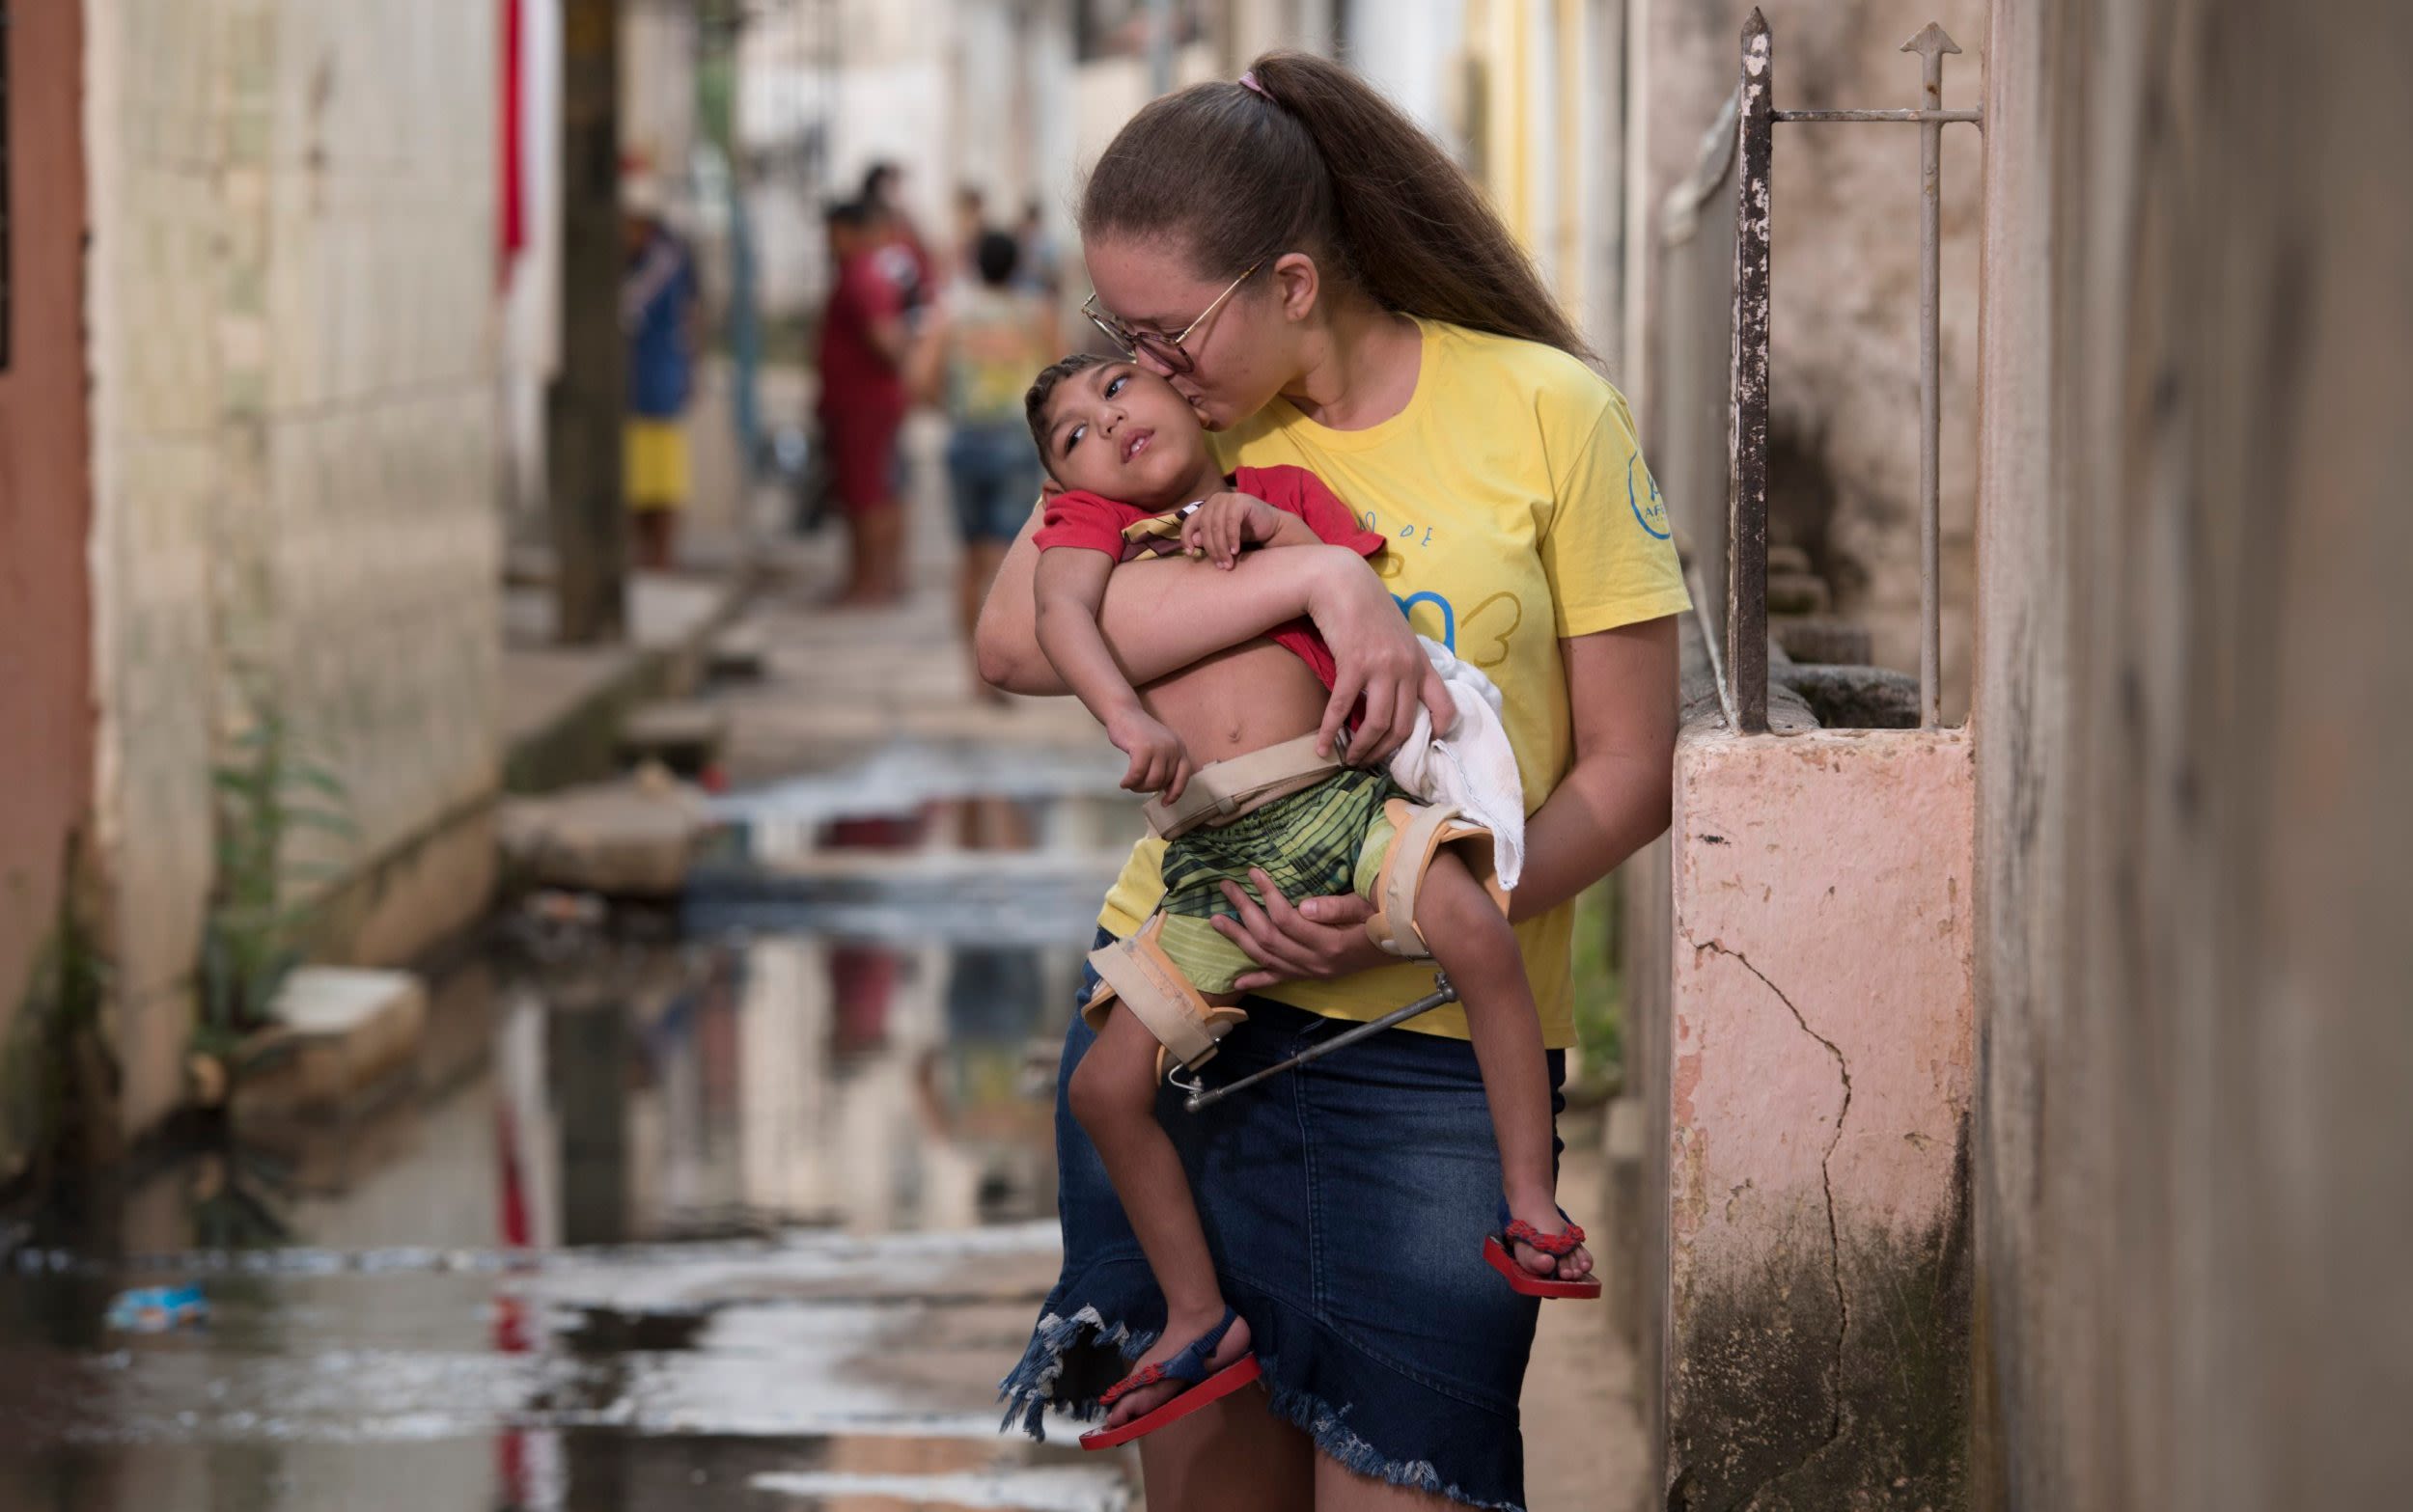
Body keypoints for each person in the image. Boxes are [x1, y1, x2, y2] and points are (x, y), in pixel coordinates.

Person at [983, 53, 1687, 1512]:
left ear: (1292, 282)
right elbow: (1013, 630)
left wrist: (1425, 904)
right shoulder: (1168, 437)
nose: (1142, 368)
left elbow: (1629, 769)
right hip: (1187, 1044)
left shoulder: (1551, 413)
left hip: (1436, 1075)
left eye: (1168, 328)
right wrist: (1313, 577)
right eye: (1120, 331)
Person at [1023, 351, 1599, 1449]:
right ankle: (1198, 1314)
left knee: (1477, 931)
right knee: (1104, 1090)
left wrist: (1269, 531)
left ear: (1176, 395)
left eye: (1115, 390)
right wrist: (1126, 719)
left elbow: (1352, 573)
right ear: (1067, 480)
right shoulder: (1088, 531)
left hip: (1335, 802)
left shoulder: (1274, 489)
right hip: (1211, 861)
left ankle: (1530, 1203)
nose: (1106, 423)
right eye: (1071, 433)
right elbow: (1054, 621)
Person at [923, 232, 1059, 687]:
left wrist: (948, 404)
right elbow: (1063, 375)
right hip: (1017, 442)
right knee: (1007, 556)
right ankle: (1004, 663)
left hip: (966, 438)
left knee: (968, 558)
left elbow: (920, 375)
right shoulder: (1036, 314)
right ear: (1016, 264)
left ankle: (973, 671)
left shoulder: (953, 314)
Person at [816, 201, 911, 604]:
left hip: (865, 407)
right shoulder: (868, 274)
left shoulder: (863, 277)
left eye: (833, 233)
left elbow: (887, 340)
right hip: (858, 403)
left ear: (849, 232)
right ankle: (872, 579)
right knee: (868, 493)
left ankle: (871, 583)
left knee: (868, 495)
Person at [622, 180, 700, 571]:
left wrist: (691, 371)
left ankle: (661, 555)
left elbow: (688, 317)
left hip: (660, 381)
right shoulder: (636, 263)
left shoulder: (663, 263)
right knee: (636, 476)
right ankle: (644, 553)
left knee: (663, 478)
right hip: (635, 383)